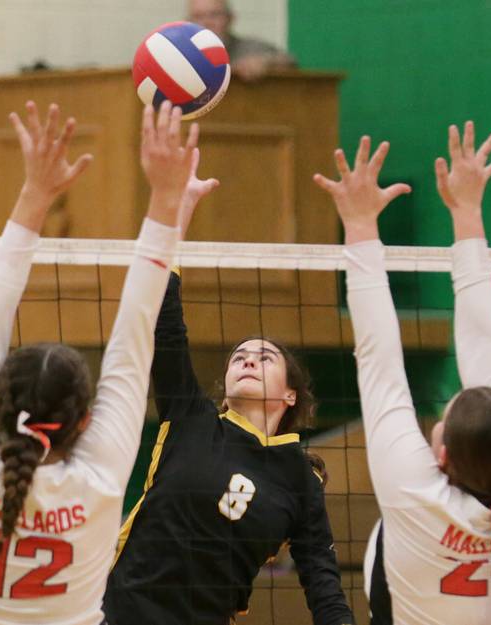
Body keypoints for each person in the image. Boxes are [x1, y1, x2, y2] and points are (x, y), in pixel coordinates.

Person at [0, 99, 200, 625]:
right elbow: (135, 332)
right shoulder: (97, 479)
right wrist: (167, 200)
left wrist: (34, 194)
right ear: (83, 420)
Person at [102, 151, 354, 625]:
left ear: (291, 395)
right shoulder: (192, 420)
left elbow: (321, 579)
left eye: (265, 357)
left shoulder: (300, 481)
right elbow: (166, 324)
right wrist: (178, 215)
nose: (248, 358)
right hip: (118, 613)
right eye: (240, 354)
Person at [313, 124, 491, 624]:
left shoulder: (431, 493)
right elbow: (386, 365)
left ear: (442, 454)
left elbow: (474, 357)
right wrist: (366, 226)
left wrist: (463, 212)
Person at [188, 0, 296, 81]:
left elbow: (289, 61)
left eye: (214, 15)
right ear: (188, 22)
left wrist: (265, 62)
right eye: (198, 17)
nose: (206, 22)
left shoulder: (249, 48)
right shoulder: (182, 53)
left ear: (230, 18)